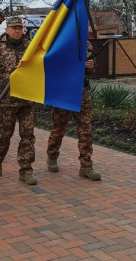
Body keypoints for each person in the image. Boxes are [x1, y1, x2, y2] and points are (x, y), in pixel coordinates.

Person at [0, 16, 38, 185]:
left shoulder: (31, 48)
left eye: (19, 28)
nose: (16, 31)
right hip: (6, 101)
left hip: (26, 101)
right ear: (6, 30)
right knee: (4, 135)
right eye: (13, 28)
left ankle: (26, 169)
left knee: (28, 136)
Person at [46, 41, 101, 181]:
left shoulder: (87, 44)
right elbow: (52, 65)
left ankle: (86, 166)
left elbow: (92, 69)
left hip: (82, 94)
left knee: (86, 130)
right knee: (59, 128)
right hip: (64, 92)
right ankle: (52, 156)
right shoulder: (60, 40)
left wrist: (91, 65)